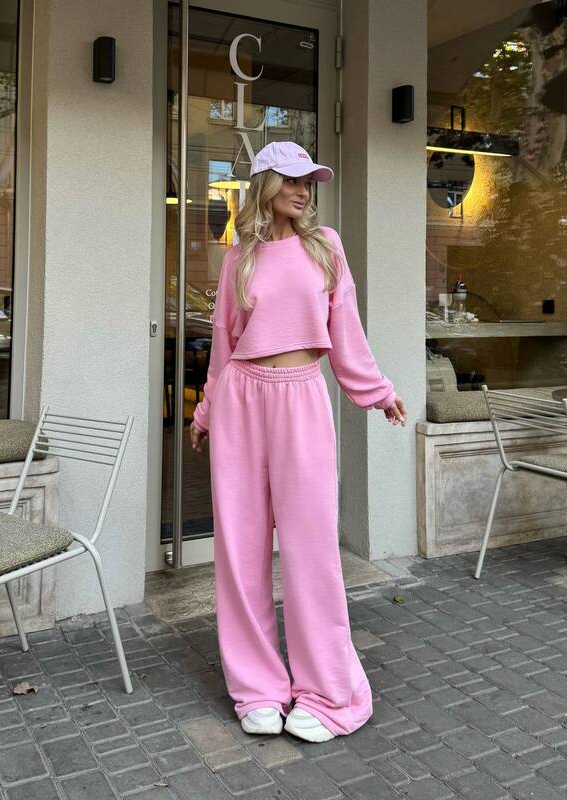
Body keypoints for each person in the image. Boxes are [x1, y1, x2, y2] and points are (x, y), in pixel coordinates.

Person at [190, 140, 407, 743]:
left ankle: (330, 692)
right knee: (241, 551)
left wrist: (378, 391)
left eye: (309, 181)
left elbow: (346, 330)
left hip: (302, 396)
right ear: (264, 184)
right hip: (241, 400)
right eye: (291, 180)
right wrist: (206, 412)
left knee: (311, 549)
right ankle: (257, 688)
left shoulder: (325, 246)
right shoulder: (240, 258)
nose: (303, 191)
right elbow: (224, 344)